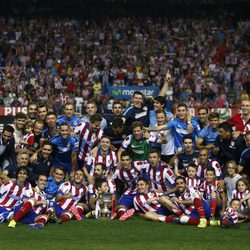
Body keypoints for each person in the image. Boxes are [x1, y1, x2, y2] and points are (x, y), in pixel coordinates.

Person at [111, 151, 145, 221]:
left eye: (127, 160)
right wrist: (112, 192)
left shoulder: (138, 165)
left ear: (130, 160)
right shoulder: (118, 172)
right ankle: (123, 215)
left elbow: (150, 163)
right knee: (120, 206)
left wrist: (166, 164)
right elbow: (110, 180)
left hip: (140, 191)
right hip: (129, 192)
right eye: (123, 160)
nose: (125, 162)